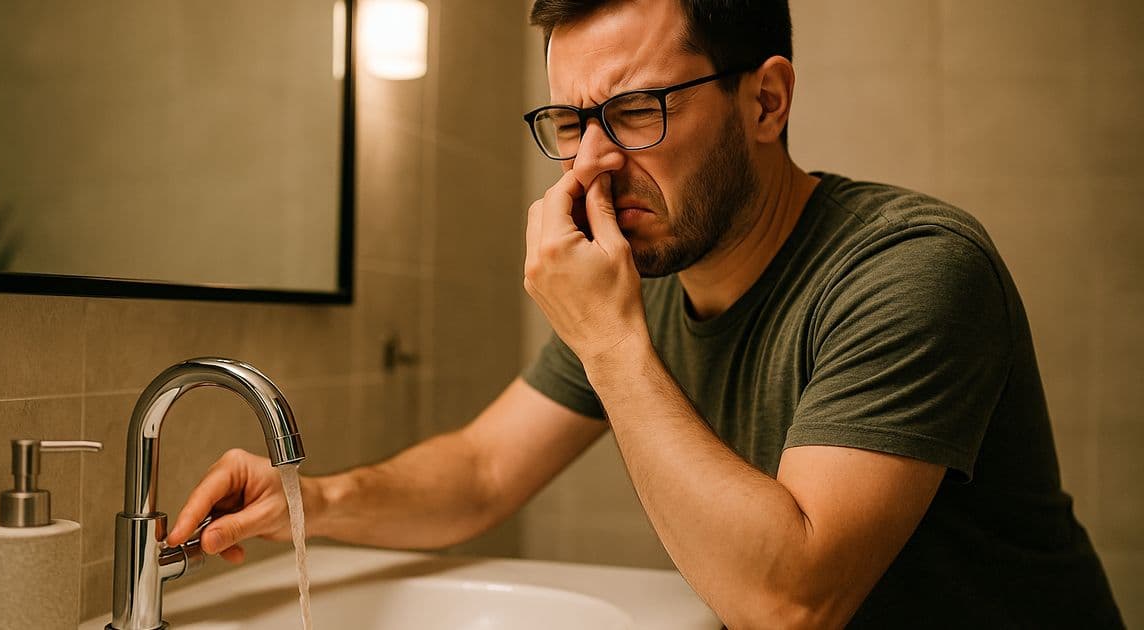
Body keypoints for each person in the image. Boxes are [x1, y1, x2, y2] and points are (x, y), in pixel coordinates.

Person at [167, 0, 1124, 627]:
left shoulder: (912, 267)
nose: (592, 165)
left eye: (635, 112)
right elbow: (484, 471)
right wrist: (310, 502)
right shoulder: (651, 278)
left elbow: (793, 603)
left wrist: (607, 338)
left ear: (767, 101)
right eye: (570, 123)